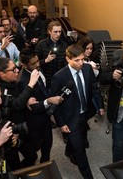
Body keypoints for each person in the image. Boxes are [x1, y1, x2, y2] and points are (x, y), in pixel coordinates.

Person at [51, 44, 105, 179]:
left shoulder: (87, 69)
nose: (81, 63)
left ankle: (69, 150)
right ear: (68, 59)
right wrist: (61, 124)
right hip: (70, 118)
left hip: (85, 113)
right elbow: (56, 104)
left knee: (79, 137)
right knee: (80, 152)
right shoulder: (59, 77)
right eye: (77, 60)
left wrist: (100, 105)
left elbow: (94, 88)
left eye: (82, 59)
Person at [0, 56, 39, 170]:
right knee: (12, 166)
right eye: (13, 69)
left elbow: (16, 101)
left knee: (32, 156)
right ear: (2, 74)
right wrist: (31, 84)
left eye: (16, 67)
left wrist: (25, 100)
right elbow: (16, 105)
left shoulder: (11, 83)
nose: (17, 70)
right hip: (7, 137)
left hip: (19, 129)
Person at [17, 48, 62, 166]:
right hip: (34, 120)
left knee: (48, 143)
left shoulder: (37, 67)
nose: (37, 64)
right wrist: (48, 100)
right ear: (24, 65)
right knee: (35, 147)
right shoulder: (23, 81)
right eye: (33, 63)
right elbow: (33, 107)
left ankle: (45, 165)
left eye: (37, 61)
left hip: (45, 116)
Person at [35, 21, 68, 89]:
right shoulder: (41, 45)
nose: (58, 34)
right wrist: (45, 60)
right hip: (46, 80)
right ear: (49, 32)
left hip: (61, 80)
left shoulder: (64, 45)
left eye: (60, 32)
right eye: (55, 32)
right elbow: (34, 64)